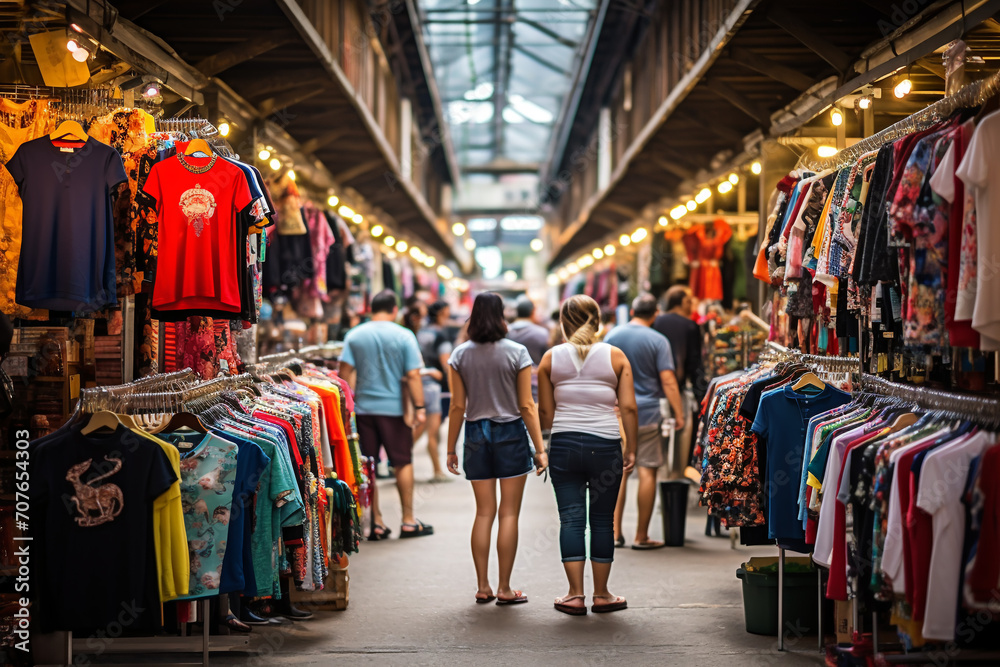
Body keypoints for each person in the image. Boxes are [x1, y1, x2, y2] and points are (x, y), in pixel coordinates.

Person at [538, 295, 637, 615]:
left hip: (564, 447)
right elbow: (629, 407)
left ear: (563, 324)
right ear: (597, 321)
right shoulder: (616, 356)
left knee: (571, 520)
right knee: (602, 521)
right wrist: (631, 447)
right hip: (606, 447)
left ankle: (575, 595)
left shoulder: (550, 359)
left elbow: (546, 413)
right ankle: (603, 595)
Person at [446, 293, 547, 605]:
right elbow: (527, 405)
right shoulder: (517, 352)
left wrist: (451, 448)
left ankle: (482, 586)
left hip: (476, 434)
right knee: (509, 513)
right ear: (502, 315)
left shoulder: (460, 354)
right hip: (510, 434)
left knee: (484, 513)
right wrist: (540, 448)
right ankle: (505, 588)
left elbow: (457, 406)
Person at [339, 290, 433, 540]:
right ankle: (408, 520)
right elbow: (413, 374)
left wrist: (346, 408)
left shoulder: (355, 335)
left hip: (362, 411)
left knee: (368, 466)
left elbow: (344, 373)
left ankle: (375, 522)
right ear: (394, 309)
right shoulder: (404, 335)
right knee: (402, 461)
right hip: (395, 410)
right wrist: (420, 407)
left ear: (371, 309)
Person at [605, 293, 685, 550]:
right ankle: (641, 536)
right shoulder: (658, 340)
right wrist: (679, 413)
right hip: (649, 413)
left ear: (632, 312)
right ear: (655, 315)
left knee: (620, 473)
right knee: (648, 471)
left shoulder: (612, 337)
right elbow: (668, 380)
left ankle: (615, 534)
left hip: (617, 414)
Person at [653, 286, 708, 478]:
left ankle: (662, 477)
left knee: (657, 444)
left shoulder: (656, 322)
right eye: (689, 300)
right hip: (677, 389)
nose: (692, 304)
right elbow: (695, 364)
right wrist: (702, 396)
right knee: (680, 440)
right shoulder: (690, 326)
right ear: (681, 302)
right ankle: (676, 477)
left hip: (654, 391)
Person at [416, 301, 453, 481]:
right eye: (447, 312)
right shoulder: (440, 335)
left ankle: (398, 459)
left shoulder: (421, 332)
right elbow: (446, 363)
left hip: (419, 382)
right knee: (432, 428)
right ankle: (437, 470)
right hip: (435, 386)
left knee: (422, 426)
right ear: (440, 313)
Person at [506, 296, 549, 401]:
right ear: (532, 312)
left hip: (510, 382)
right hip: (535, 384)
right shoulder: (542, 333)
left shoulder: (506, 332)